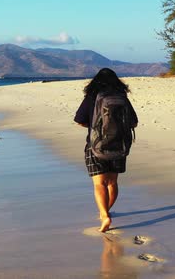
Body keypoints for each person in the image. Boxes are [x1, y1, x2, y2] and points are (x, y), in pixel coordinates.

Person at [74, 68, 138, 232]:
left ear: (95, 82)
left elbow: (79, 119)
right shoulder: (121, 97)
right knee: (112, 182)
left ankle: (104, 215)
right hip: (119, 145)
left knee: (99, 184)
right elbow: (133, 122)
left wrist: (95, 127)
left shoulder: (92, 96)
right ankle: (106, 211)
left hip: (96, 145)